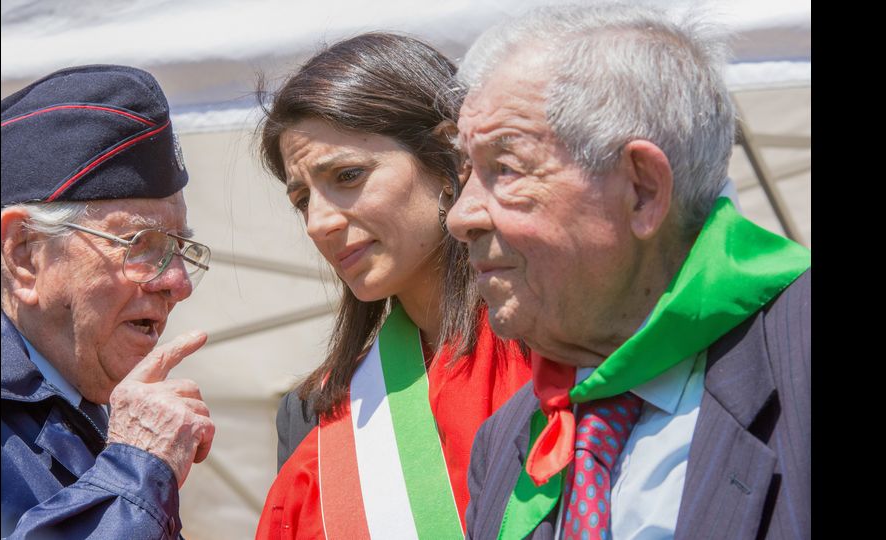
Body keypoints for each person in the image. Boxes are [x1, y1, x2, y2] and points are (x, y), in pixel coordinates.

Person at [446, 4, 810, 539]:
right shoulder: (505, 443)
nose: (460, 217)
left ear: (642, 190)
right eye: (466, 173)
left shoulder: (799, 350)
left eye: (505, 167)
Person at [254, 33, 531, 539]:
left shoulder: (563, 347)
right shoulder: (310, 413)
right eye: (301, 200)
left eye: (348, 174)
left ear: (449, 161)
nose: (318, 223)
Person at [1, 64, 216, 539]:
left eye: (181, 249)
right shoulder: (132, 446)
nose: (178, 283)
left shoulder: (93, 406)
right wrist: (136, 465)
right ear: (25, 256)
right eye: (141, 244)